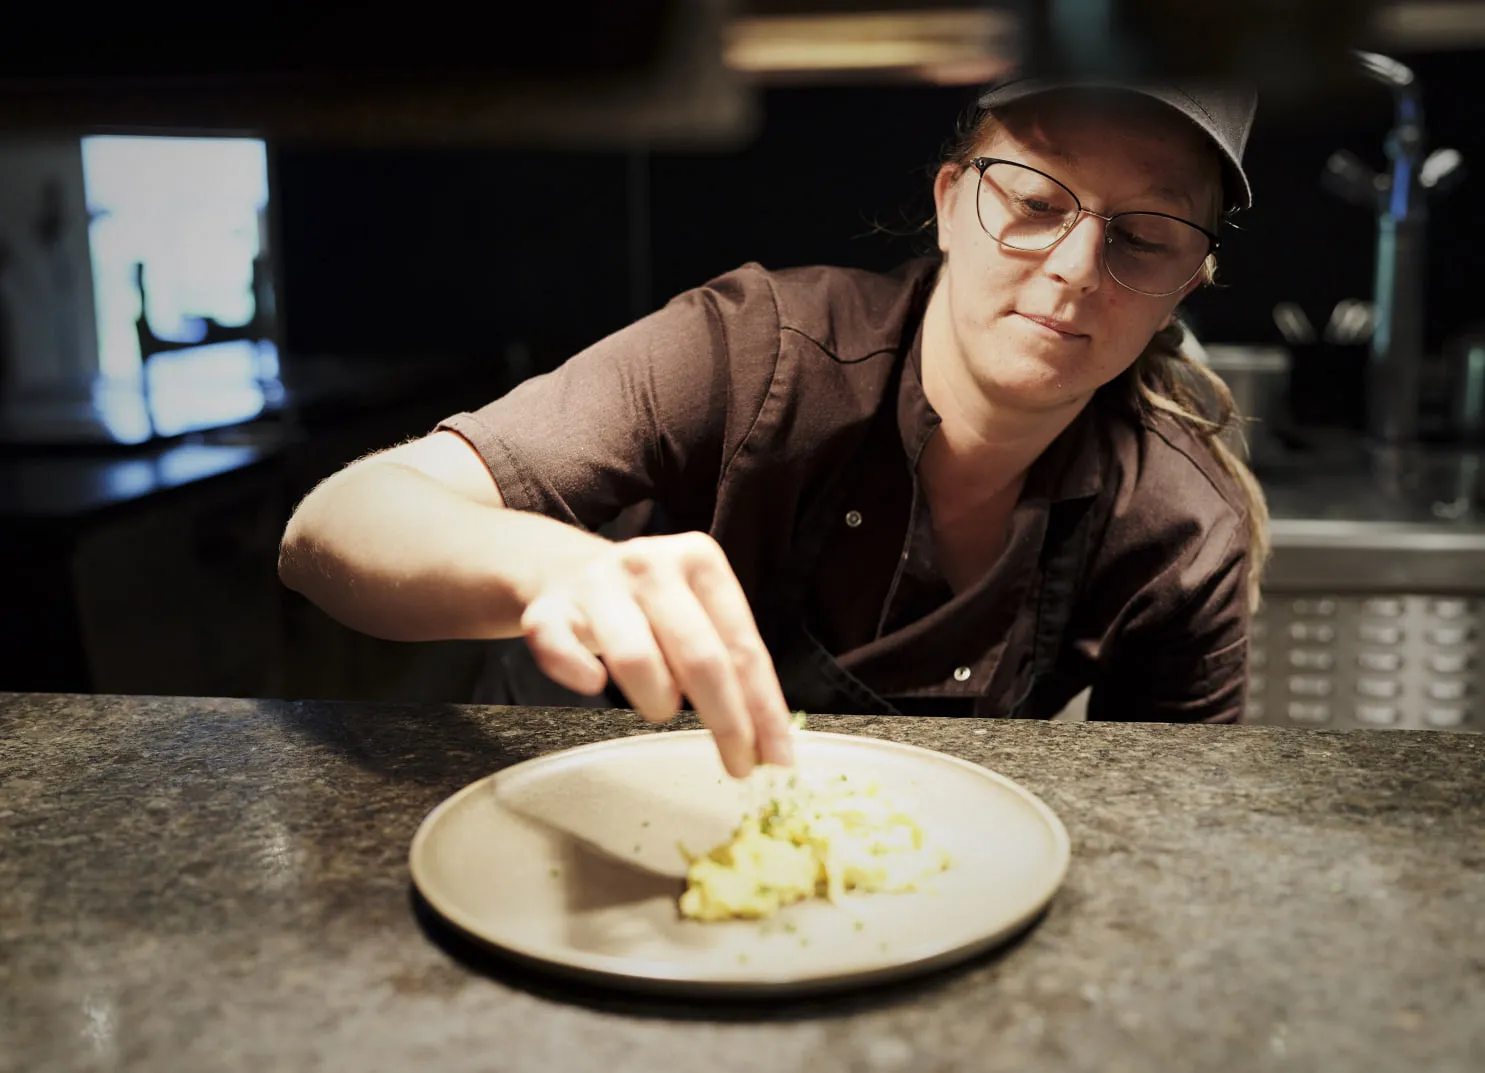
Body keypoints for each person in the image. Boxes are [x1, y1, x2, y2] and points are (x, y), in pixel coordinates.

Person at [279, 74, 1270, 780]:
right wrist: (560, 569)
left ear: (1187, 280)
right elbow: (333, 529)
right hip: (575, 818)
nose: (1074, 267)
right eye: (1037, 201)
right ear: (949, 203)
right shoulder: (753, 349)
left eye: (1144, 236)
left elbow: (1175, 831)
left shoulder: (1180, 528)